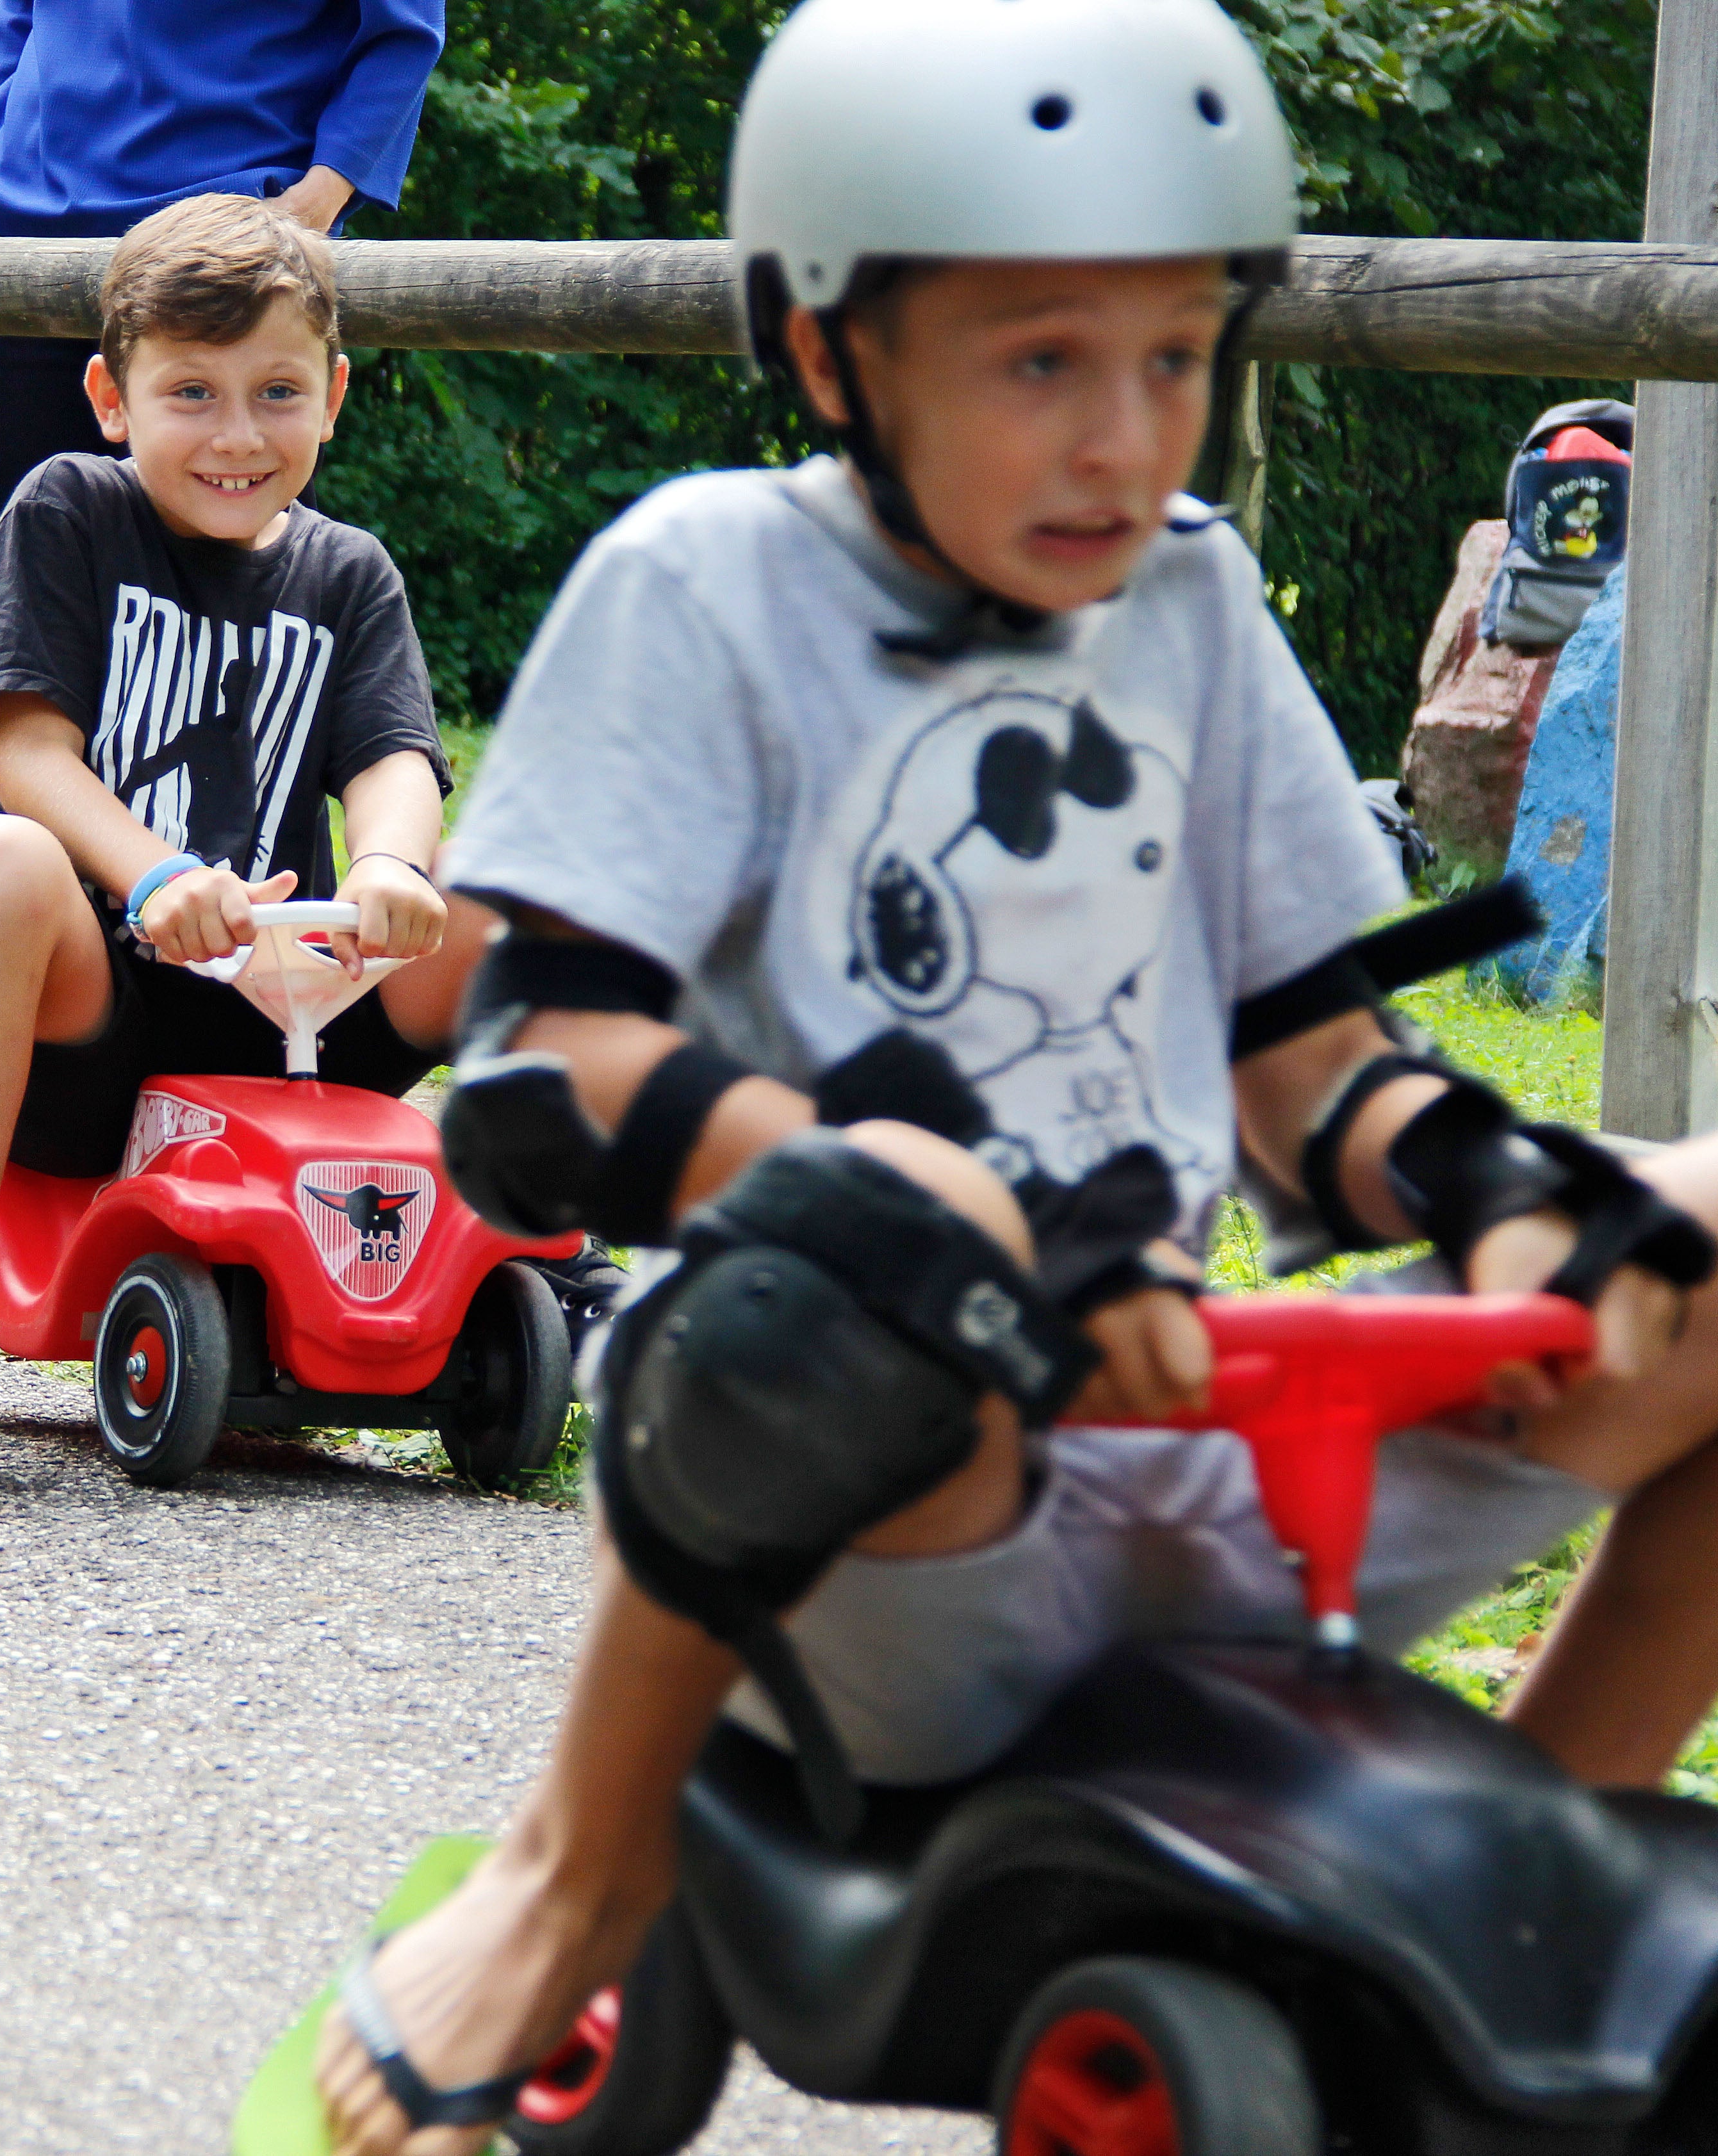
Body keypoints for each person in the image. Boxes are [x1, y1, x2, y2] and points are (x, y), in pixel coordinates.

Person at [309, 2, 1718, 2149]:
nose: (1122, 442)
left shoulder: (1187, 597)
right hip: (875, 1489)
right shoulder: (703, 589)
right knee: (895, 1215)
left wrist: (1499, 1194)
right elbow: (535, 1049)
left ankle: (1530, 1901)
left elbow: (1303, 1056)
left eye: (1171, 358)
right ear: (827, 349)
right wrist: (1002, 1247)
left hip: (1199, 1436)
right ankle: (568, 1867)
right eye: (1038, 360)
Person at [0, 194, 476, 1484]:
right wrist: (153, 877)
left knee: (517, 891)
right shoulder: (67, 512)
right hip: (92, 1024)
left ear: (332, 396)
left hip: (286, 1009)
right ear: (113, 401)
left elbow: (394, 758)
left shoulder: (349, 574)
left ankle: (553, 1262)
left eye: (276, 394)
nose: (237, 435)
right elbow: (29, 756)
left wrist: (393, 866)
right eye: (193, 394)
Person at [0, 0, 445, 642]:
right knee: (14, 627)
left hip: (227, 250)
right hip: (4, 226)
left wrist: (318, 199)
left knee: (239, 645)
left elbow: (404, 35)